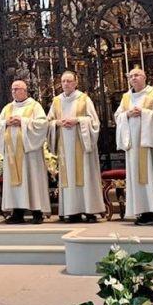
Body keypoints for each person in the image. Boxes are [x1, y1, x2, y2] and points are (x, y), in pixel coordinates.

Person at [114, 68, 153, 225]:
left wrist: (144, 113)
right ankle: (144, 213)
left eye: (137, 75)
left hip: (151, 144)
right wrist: (127, 115)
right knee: (138, 177)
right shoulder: (126, 97)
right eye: (131, 76)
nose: (133, 78)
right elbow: (117, 116)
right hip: (134, 144)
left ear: (145, 77)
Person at [48, 71, 104, 223]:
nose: (65, 84)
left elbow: (94, 122)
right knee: (69, 177)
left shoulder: (84, 99)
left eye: (69, 81)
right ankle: (71, 211)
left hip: (82, 144)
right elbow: (49, 122)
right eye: (63, 81)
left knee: (85, 175)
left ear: (75, 83)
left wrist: (77, 120)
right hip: (65, 146)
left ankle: (90, 211)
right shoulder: (57, 101)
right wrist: (57, 123)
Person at [0, 79, 50, 224]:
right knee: (16, 183)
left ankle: (37, 212)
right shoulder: (7, 108)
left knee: (31, 180)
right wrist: (6, 123)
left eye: (17, 89)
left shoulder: (34, 106)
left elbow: (42, 124)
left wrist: (23, 121)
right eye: (12, 89)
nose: (14, 91)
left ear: (25, 91)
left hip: (29, 153)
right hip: (12, 153)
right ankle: (17, 212)